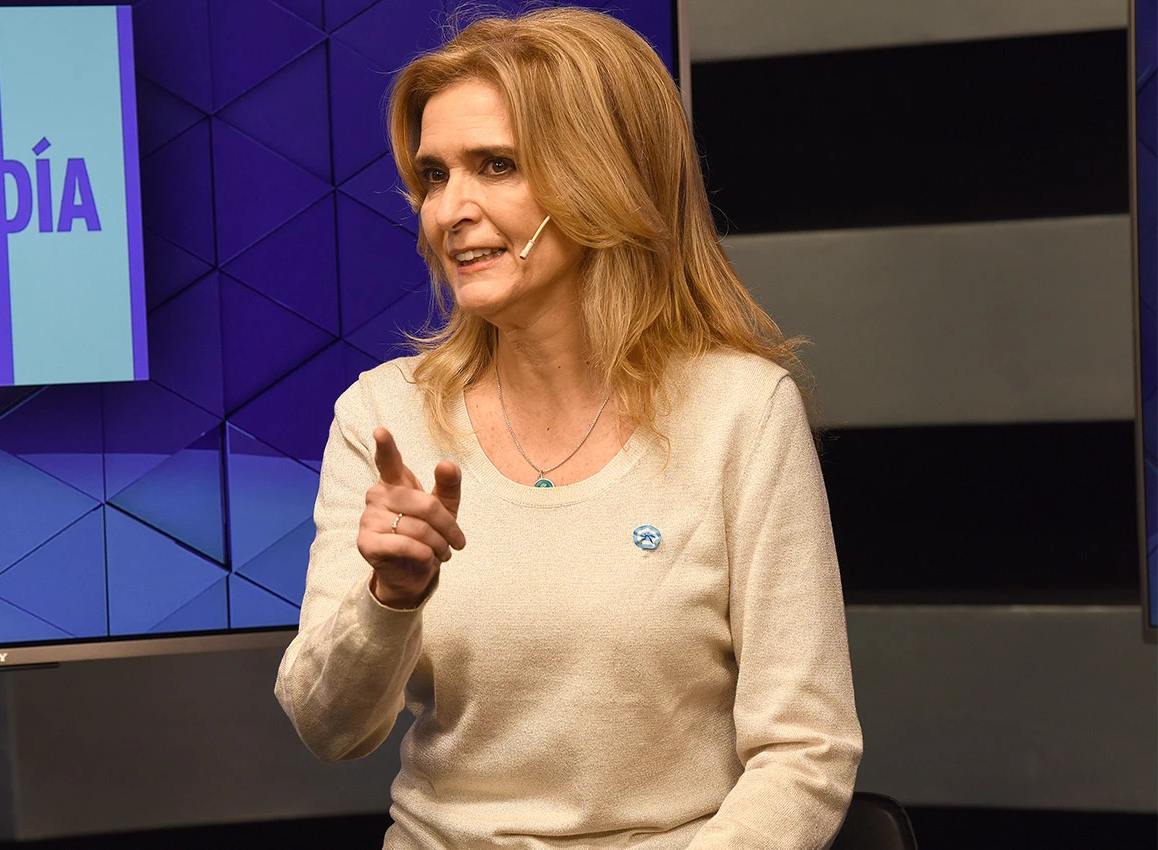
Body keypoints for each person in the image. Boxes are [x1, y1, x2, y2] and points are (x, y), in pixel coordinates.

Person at [274, 8, 862, 849]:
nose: (450, 211)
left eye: (497, 166)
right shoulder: (383, 415)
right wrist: (389, 600)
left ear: (603, 176)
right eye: (435, 175)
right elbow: (328, 728)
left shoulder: (741, 410)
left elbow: (806, 752)